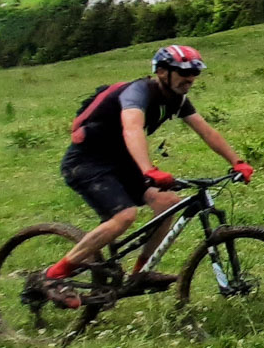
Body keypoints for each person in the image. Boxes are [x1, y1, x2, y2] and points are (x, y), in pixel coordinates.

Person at [36, 45, 252, 307]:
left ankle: (140, 273)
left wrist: (237, 161)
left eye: (195, 72)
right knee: (124, 216)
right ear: (162, 72)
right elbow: (132, 129)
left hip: (120, 161)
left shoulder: (177, 98)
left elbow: (206, 131)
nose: (190, 78)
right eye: (184, 72)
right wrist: (148, 170)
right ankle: (53, 275)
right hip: (87, 162)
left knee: (168, 203)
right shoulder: (137, 92)